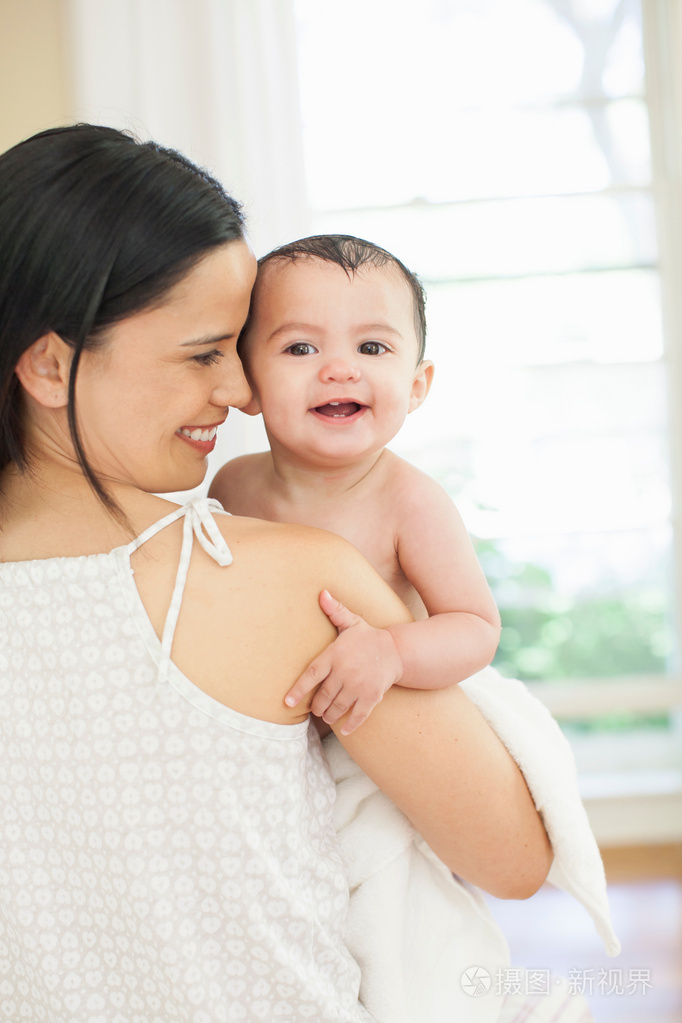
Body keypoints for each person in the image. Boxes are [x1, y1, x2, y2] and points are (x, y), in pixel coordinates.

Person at [0, 124, 551, 1022]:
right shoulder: (293, 584)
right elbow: (513, 857)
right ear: (51, 363)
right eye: (203, 352)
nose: (245, 392)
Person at [210, 234, 501, 733]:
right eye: (300, 347)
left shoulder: (410, 503)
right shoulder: (233, 486)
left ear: (416, 386)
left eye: (371, 347)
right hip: (272, 732)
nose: (340, 370)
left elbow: (475, 628)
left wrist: (392, 651)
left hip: (380, 734)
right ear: (249, 384)